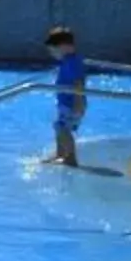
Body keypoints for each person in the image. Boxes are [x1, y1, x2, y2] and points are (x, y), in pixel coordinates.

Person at [44, 26, 87, 166]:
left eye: (53, 51)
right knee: (59, 128)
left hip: (72, 104)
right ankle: (60, 154)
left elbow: (79, 84)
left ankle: (71, 158)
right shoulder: (69, 61)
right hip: (66, 104)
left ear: (64, 47)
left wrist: (78, 104)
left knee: (63, 129)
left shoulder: (73, 63)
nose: (52, 54)